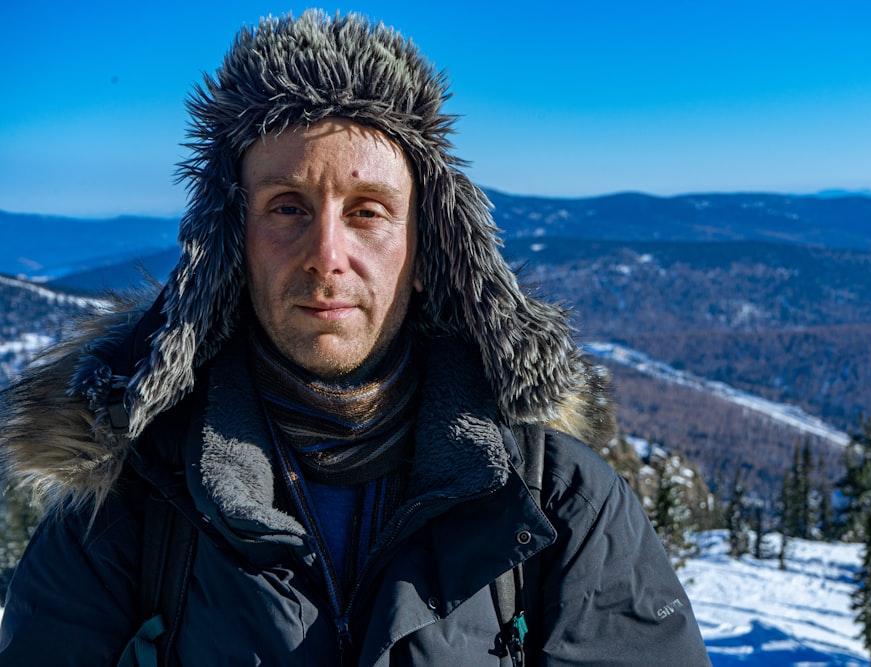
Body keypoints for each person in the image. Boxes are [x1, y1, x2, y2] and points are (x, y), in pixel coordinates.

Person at [0, 10, 710, 666]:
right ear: (231, 246)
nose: (326, 253)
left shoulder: (552, 500)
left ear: (426, 253)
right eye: (286, 207)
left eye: (368, 210)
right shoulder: (134, 500)